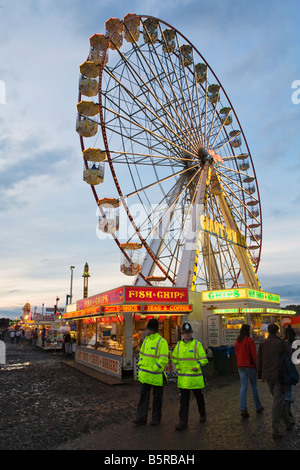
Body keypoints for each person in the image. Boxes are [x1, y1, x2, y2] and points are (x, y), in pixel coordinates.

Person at [257, 323, 293, 439]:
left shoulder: (262, 344)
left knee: (278, 400)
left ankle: (288, 423)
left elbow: (259, 360)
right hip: (279, 376)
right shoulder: (281, 343)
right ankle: (275, 429)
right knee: (277, 402)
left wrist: (260, 375)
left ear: (268, 331)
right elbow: (289, 357)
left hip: (268, 377)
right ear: (277, 331)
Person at [171, 322, 208, 430]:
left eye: (189, 332)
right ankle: (183, 422)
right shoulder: (178, 345)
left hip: (195, 378)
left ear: (191, 333)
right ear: (182, 334)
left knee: (199, 398)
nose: (188, 334)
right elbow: (174, 358)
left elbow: (204, 359)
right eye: (186, 333)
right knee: (184, 401)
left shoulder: (197, 345)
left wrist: (197, 366)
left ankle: (202, 414)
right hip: (184, 380)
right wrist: (177, 367)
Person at [132, 319, 169, 426]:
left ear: (151, 329)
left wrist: (153, 368)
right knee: (144, 398)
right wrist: (141, 364)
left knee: (157, 399)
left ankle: (155, 419)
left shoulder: (161, 342)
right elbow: (142, 354)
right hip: (146, 376)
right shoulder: (147, 340)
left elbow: (163, 360)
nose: (145, 330)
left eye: (147, 328)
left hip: (155, 376)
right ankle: (141, 418)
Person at [235, 324, 264, 418]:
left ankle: (243, 408)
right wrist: (257, 367)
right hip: (250, 366)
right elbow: (254, 355)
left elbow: (236, 353)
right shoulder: (249, 340)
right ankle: (258, 406)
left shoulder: (237, 340)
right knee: (254, 387)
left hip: (240, 365)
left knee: (243, 387)